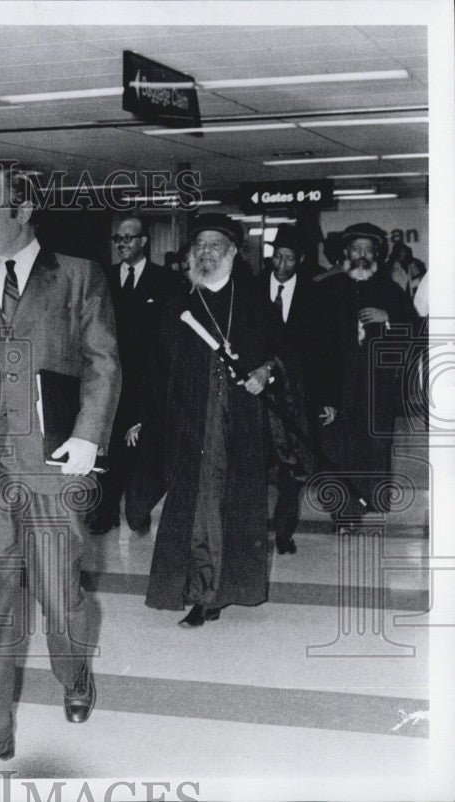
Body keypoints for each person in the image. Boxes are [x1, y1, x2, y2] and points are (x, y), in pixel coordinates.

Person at [0, 169, 121, 777]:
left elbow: (102, 362)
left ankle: (74, 672)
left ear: (26, 208)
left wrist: (89, 437)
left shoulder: (77, 276)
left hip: (53, 466)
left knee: (59, 594)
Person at [141, 214, 296, 627]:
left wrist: (266, 372)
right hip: (191, 424)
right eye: (200, 247)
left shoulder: (255, 302)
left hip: (241, 424)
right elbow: (158, 369)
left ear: (232, 252)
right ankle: (201, 591)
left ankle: (219, 590)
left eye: (215, 246)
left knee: (233, 504)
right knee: (198, 503)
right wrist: (146, 419)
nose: (206, 253)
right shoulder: (179, 305)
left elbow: (283, 353)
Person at [88, 214, 180, 535]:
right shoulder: (104, 279)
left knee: (142, 449)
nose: (122, 244)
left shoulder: (165, 281)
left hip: (148, 381)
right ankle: (105, 511)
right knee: (110, 447)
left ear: (144, 241)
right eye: (118, 239)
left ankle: (138, 510)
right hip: (112, 378)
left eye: (129, 238)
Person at [318, 222, 418, 517]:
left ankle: (374, 501)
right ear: (346, 252)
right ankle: (344, 508)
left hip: (377, 384)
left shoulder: (390, 290)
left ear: (376, 253)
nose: (362, 254)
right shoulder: (329, 289)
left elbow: (414, 332)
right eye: (356, 248)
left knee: (376, 442)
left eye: (368, 249)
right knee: (340, 445)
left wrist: (388, 317)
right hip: (339, 384)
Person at [263, 224, 336, 555]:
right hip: (258, 393)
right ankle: (253, 528)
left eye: (288, 258)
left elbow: (327, 353)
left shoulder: (317, 296)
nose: (281, 265)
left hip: (299, 395)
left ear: (301, 260)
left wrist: (330, 400)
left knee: (291, 465)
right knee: (257, 462)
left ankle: (283, 530)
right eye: (276, 256)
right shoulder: (250, 289)